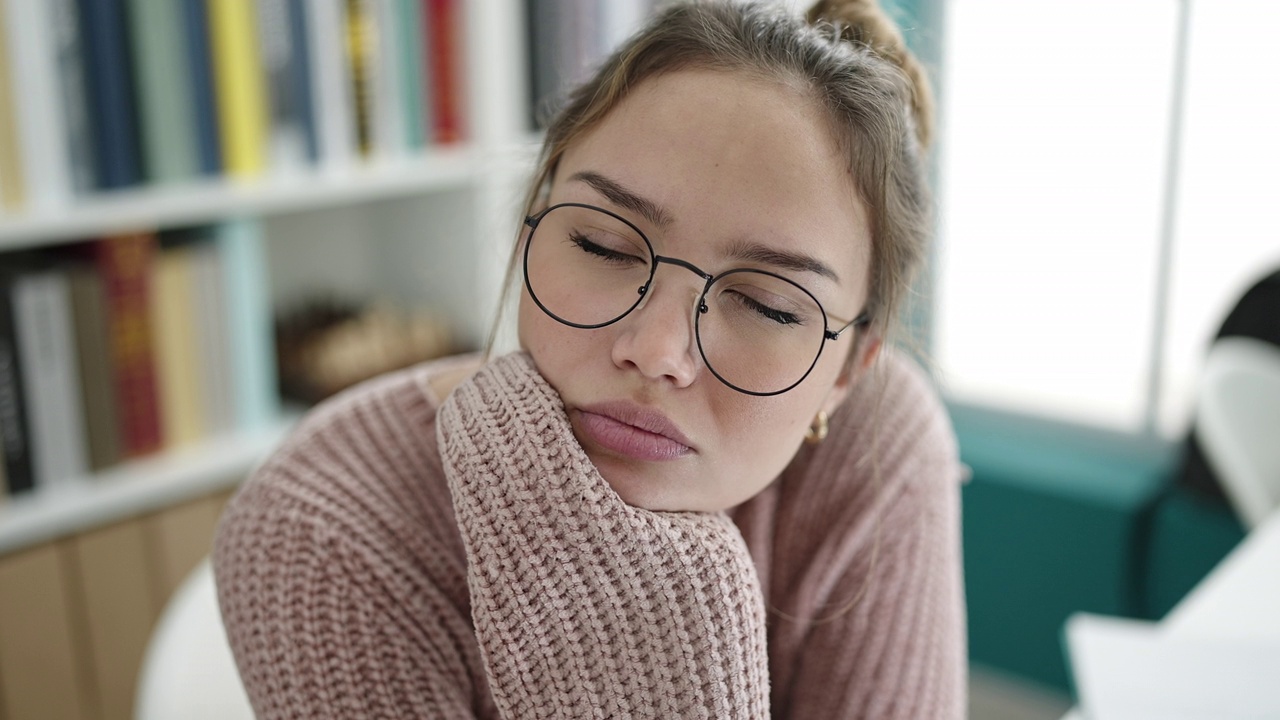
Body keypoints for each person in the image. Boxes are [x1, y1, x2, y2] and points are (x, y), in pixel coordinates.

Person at [214, 1, 967, 717]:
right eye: (601, 244)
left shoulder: (880, 449)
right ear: (527, 232)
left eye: (768, 304)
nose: (655, 351)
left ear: (846, 374)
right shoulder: (322, 536)